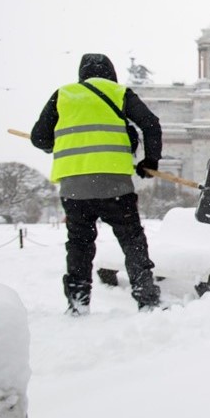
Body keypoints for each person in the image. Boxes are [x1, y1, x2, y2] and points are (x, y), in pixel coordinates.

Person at [31, 53, 162, 315]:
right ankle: (146, 298)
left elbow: (39, 139)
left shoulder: (63, 95)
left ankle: (78, 301)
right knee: (132, 240)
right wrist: (150, 161)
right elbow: (151, 124)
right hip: (115, 185)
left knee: (79, 244)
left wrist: (63, 143)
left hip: (75, 187)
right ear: (111, 72)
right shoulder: (119, 92)